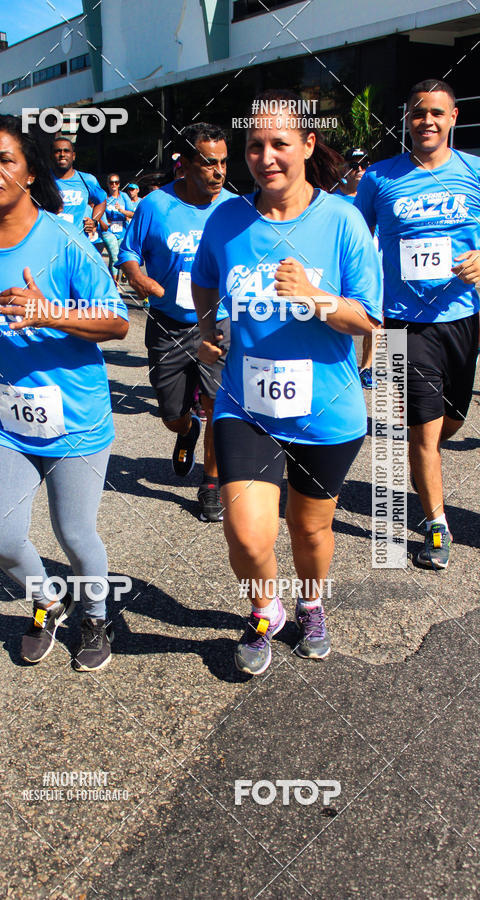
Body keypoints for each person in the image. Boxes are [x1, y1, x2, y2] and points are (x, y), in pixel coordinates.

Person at [191, 90, 382, 673]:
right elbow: (203, 279)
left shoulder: (342, 218)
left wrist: (316, 297)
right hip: (244, 406)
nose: (265, 156)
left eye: (279, 143)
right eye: (254, 145)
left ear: (307, 144)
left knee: (310, 528)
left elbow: (368, 319)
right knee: (248, 537)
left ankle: (312, 602)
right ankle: (262, 608)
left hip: (326, 409)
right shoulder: (226, 217)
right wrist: (206, 330)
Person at [0, 114, 129, 670]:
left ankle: (96, 615)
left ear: (30, 170)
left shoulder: (64, 237)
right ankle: (47, 600)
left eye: (5, 159)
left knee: (74, 532)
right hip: (2, 420)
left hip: (74, 416)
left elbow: (118, 322)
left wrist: (51, 311)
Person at [355, 78, 480, 570]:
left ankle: (425, 454)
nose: (425, 120)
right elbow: (353, 236)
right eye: (416, 112)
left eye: (435, 113)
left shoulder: (474, 171)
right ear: (406, 120)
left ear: (453, 119)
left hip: (463, 316)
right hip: (402, 322)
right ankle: (436, 524)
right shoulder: (379, 178)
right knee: (424, 432)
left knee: (450, 422)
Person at [118, 123, 234, 522]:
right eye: (208, 163)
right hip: (169, 323)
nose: (218, 172)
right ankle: (186, 430)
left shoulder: (234, 209)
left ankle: (211, 484)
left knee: (219, 406)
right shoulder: (155, 206)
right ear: (184, 165)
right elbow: (128, 250)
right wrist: (137, 277)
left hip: (219, 322)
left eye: (223, 163)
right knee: (171, 413)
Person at [334, 148, 377, 388]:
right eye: (353, 164)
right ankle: (341, 365)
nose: (359, 169)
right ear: (344, 169)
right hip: (341, 269)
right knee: (340, 317)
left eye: (364, 164)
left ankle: (369, 368)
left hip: (374, 268)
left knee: (376, 319)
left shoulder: (377, 196)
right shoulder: (332, 199)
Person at [50, 135, 106, 237]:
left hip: (77, 243)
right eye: (57, 151)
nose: (62, 154)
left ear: (73, 156)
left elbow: (101, 201)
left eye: (66, 151)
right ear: (51, 156)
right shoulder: (43, 180)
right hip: (51, 243)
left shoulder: (87, 180)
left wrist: (94, 221)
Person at [103, 174, 133, 284]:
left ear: (119, 184)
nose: (114, 184)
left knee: (121, 257)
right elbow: (99, 214)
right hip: (109, 231)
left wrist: (121, 211)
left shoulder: (124, 197)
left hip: (123, 231)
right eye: (111, 182)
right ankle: (115, 286)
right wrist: (105, 221)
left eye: (116, 182)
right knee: (114, 256)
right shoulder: (104, 198)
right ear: (107, 184)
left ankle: (120, 276)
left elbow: (133, 214)